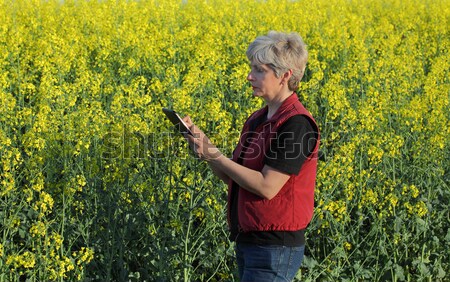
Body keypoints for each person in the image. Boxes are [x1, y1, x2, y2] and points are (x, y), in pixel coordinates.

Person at [183, 31, 320, 282]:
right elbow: (235, 177)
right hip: (250, 240)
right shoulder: (259, 119)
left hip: (274, 248)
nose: (249, 76)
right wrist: (206, 149)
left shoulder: (296, 125)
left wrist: (215, 155)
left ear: (285, 75)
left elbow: (267, 187)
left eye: (259, 70)